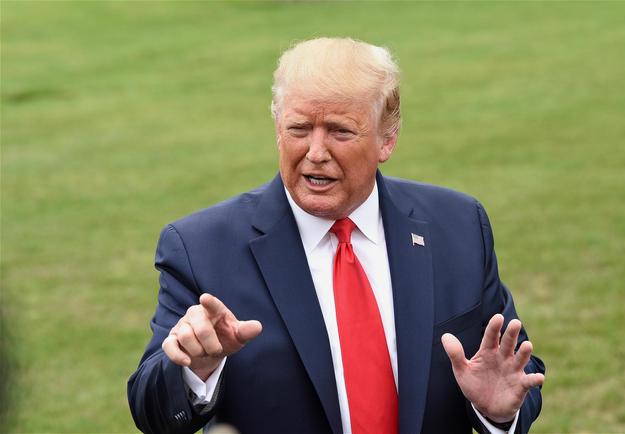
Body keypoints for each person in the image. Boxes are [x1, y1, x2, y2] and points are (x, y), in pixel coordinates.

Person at [127, 37, 545, 434]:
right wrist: (193, 370)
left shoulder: (457, 225)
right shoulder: (201, 247)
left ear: (388, 139)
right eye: (299, 129)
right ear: (277, 128)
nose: (316, 152)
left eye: (340, 131)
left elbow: (512, 371)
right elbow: (153, 413)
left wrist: (497, 412)